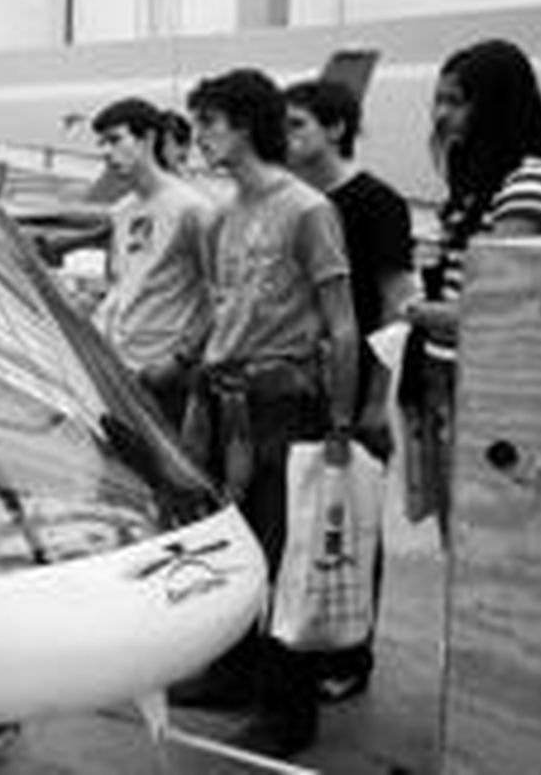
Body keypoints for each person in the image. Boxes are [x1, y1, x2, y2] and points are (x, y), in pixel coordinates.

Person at [178, 68, 359, 759]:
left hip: (285, 405)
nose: (198, 136)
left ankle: (289, 711)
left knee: (289, 555)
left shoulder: (308, 210)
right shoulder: (221, 216)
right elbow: (223, 309)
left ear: (246, 124)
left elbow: (342, 325)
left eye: (209, 122)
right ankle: (233, 674)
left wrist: (341, 422)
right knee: (234, 547)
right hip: (227, 404)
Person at [404, 38, 541, 536]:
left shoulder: (528, 182)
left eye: (456, 102)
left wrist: (415, 312)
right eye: (438, 100)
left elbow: (496, 311)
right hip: (447, 379)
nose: (441, 115)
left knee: (485, 537)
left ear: (499, 105)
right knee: (455, 535)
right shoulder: (477, 183)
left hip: (493, 390)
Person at [283, 77, 416, 702]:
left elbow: (395, 305)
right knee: (303, 519)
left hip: (357, 384)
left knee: (351, 520)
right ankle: (302, 643)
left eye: (297, 125)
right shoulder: (293, 201)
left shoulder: (377, 203)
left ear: (335, 128)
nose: (285, 138)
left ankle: (349, 654)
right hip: (300, 385)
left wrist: (375, 400)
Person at [87, 98, 214, 430]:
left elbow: (226, 294)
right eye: (102, 144)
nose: (106, 152)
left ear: (147, 139)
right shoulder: (122, 211)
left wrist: (181, 361)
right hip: (119, 370)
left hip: (164, 376)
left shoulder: (191, 209)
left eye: (115, 140)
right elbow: (124, 286)